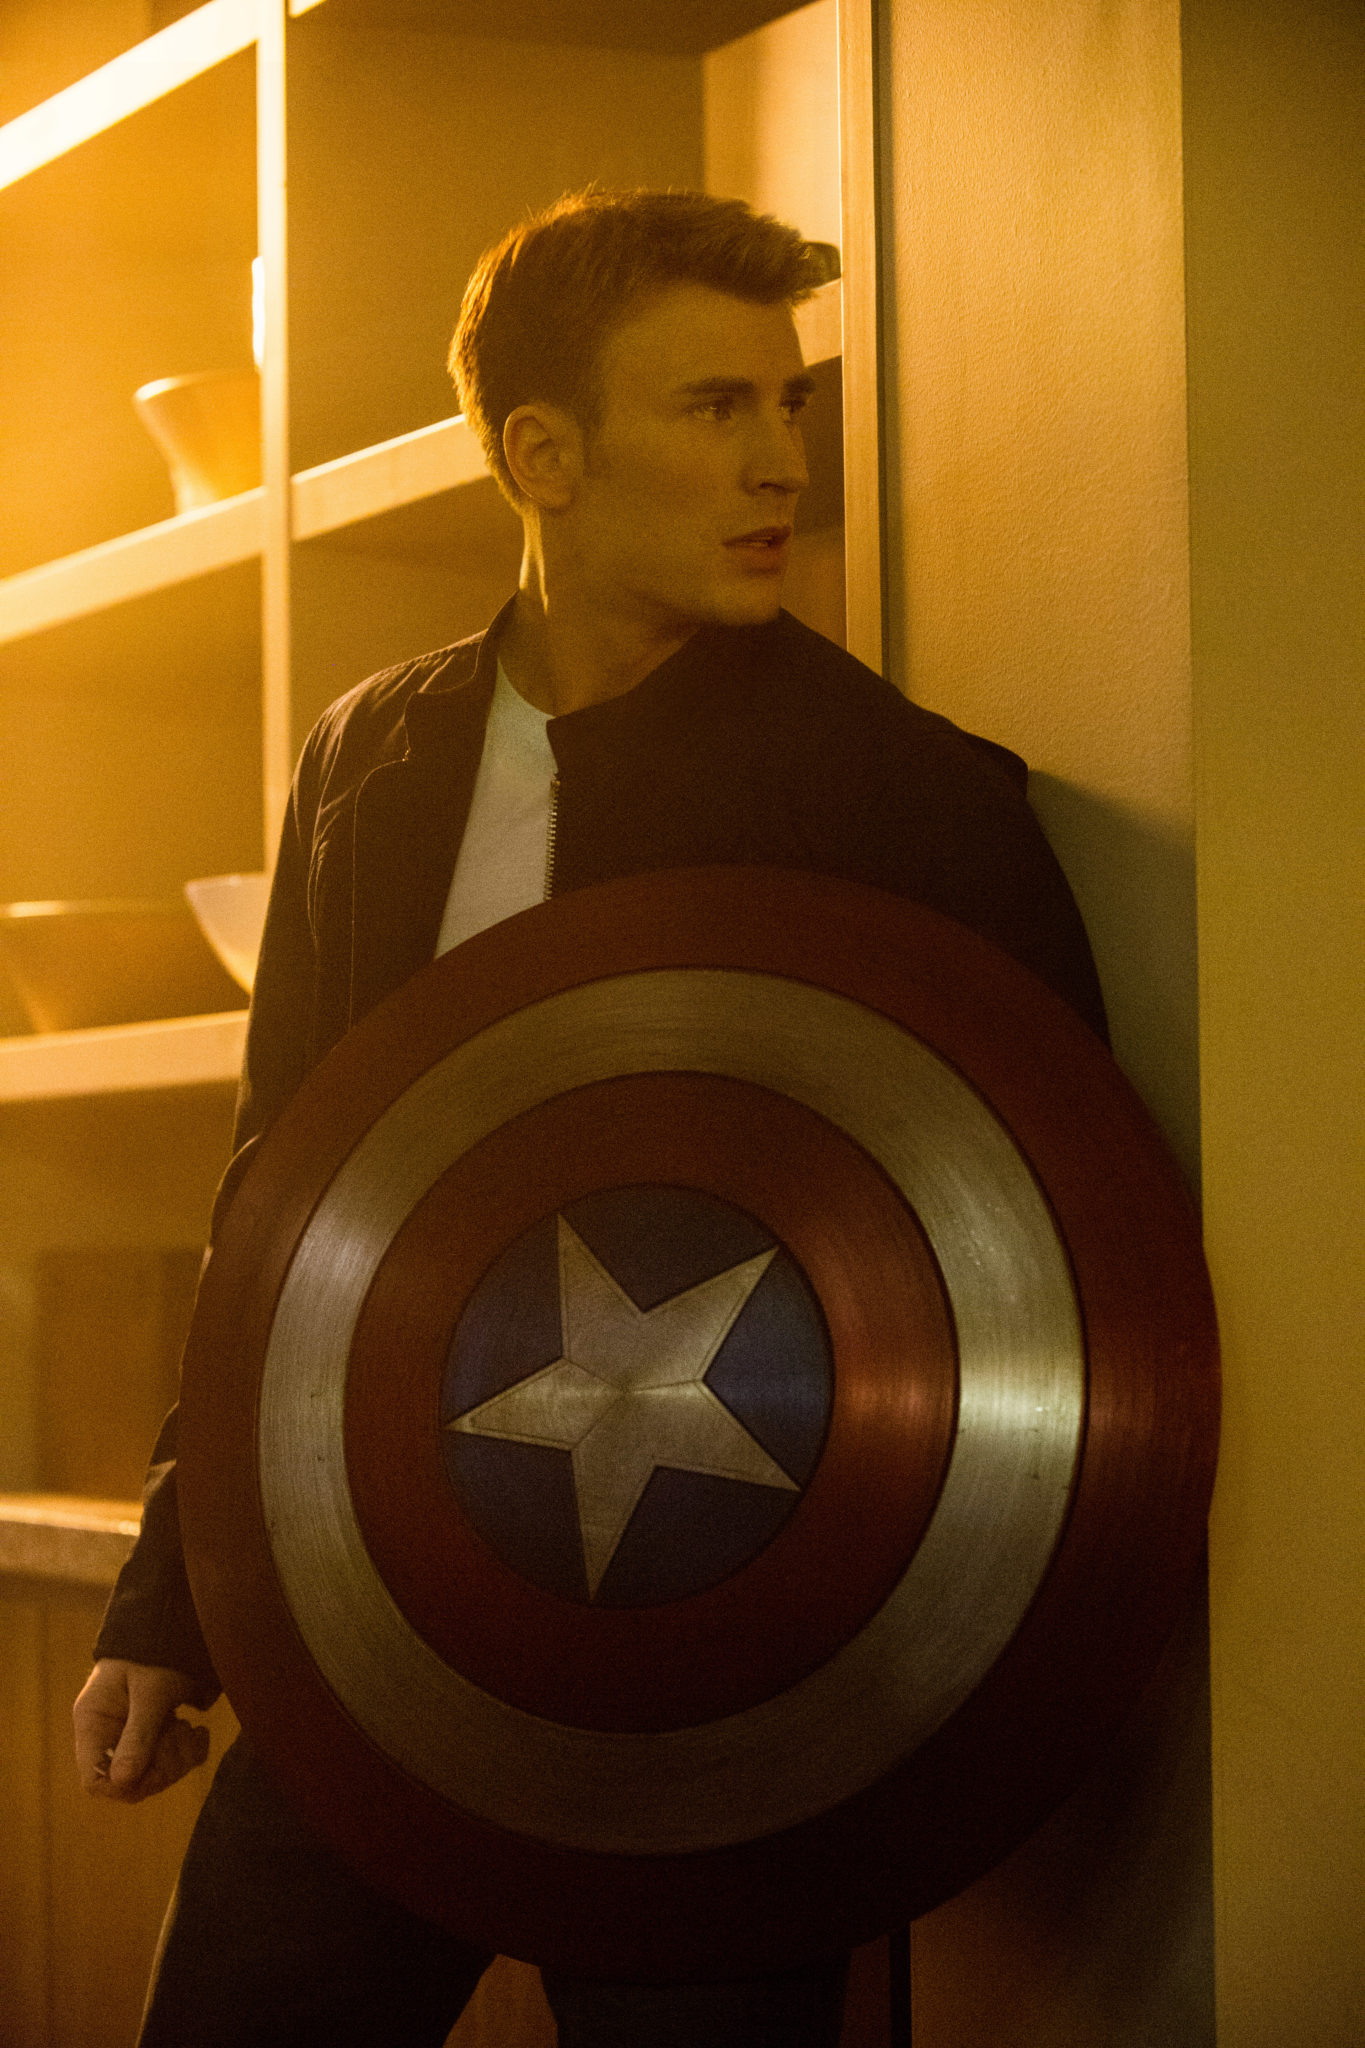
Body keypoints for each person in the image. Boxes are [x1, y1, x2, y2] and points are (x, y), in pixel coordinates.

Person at [73, 188, 1107, 2046]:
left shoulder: (912, 801)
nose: (779, 461)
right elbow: (280, 1202)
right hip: (367, 1607)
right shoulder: (369, 758)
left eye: (786, 403)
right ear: (540, 455)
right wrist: (174, 1596)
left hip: (722, 1685)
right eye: (714, 407)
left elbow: (1047, 1265)